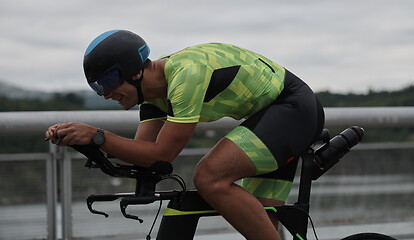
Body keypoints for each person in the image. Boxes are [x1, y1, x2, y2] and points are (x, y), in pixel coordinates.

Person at [45, 29, 324, 240]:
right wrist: (82, 141)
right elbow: (144, 156)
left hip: (292, 108)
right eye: (97, 87)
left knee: (209, 177)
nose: (105, 94)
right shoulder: (153, 98)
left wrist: (98, 135)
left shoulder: (185, 77)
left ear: (134, 72)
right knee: (262, 228)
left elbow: (164, 154)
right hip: (273, 117)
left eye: (107, 82)